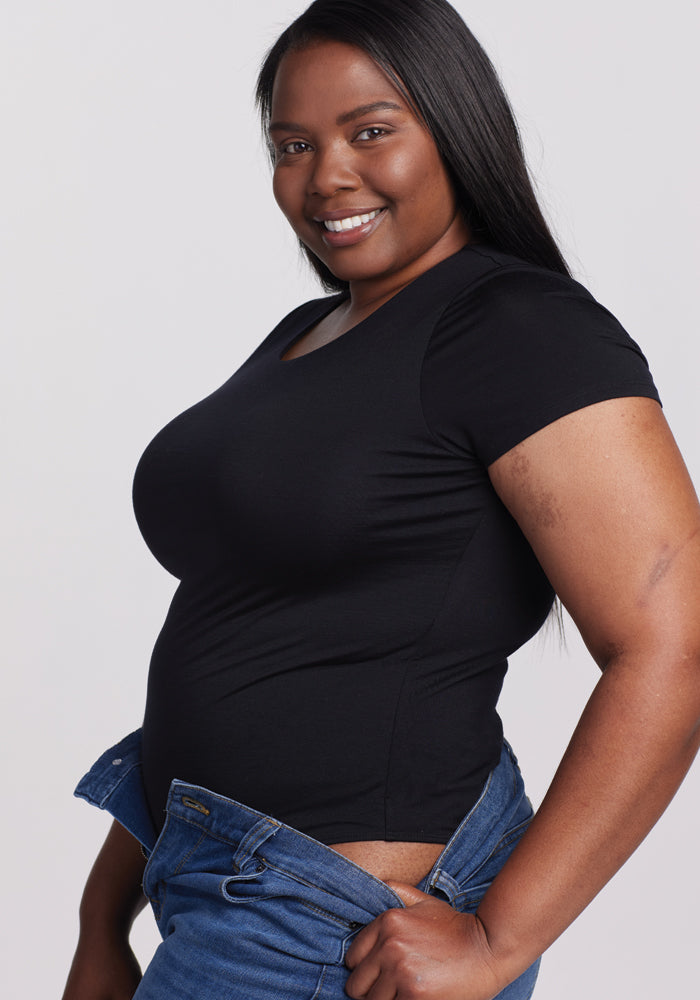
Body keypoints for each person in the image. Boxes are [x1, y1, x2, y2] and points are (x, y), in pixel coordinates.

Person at [62, 1, 700, 998]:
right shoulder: (306, 333)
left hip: (327, 927)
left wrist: (495, 943)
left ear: (454, 126)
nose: (326, 177)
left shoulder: (520, 327)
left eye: (370, 131)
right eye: (291, 144)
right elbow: (240, 624)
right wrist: (105, 917)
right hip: (209, 883)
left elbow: (673, 644)